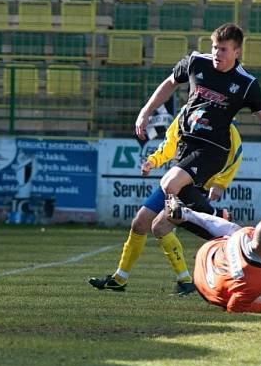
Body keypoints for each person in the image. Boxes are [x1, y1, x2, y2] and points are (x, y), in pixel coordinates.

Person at [133, 23, 261, 293]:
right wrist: (145, 111)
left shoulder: (246, 83)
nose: (217, 53)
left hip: (213, 150)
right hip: (186, 148)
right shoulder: (195, 62)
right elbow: (168, 84)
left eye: (223, 49)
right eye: (214, 47)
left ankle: (214, 216)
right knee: (164, 222)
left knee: (169, 184)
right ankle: (228, 229)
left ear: (237, 51)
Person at [88, 114, 242, 294]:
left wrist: (220, 183)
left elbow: (235, 155)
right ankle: (120, 278)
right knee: (140, 223)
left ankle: (231, 258)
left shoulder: (226, 124)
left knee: (162, 227)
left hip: (193, 186)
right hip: (172, 181)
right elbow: (170, 143)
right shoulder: (187, 112)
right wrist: (153, 161)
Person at [166, 196, 261, 314]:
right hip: (207, 288)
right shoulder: (258, 280)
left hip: (208, 253)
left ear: (254, 232)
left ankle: (188, 214)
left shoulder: (246, 233)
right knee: (258, 300)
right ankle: (188, 214)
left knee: (234, 229)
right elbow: (233, 309)